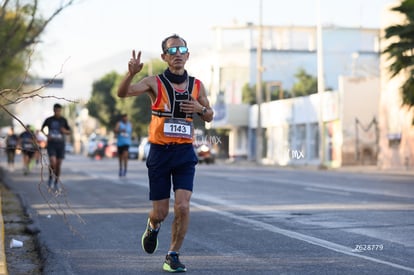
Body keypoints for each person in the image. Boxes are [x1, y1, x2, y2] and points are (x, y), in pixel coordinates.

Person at [118, 34, 213, 273]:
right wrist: (131, 73)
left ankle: (172, 255)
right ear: (164, 57)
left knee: (182, 206)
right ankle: (153, 226)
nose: (178, 53)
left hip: (184, 153)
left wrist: (201, 109)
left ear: (188, 55)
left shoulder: (197, 85)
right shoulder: (154, 82)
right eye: (172, 50)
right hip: (160, 152)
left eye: (182, 49)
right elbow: (123, 93)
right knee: (160, 212)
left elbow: (210, 114)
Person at [41, 103, 71, 192]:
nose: (57, 112)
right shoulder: (49, 120)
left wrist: (64, 131)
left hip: (61, 145)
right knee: (53, 162)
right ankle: (50, 178)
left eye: (59, 110)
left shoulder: (63, 120)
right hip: (51, 144)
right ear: (53, 110)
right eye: (56, 110)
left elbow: (69, 131)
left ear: (60, 111)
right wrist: (47, 135)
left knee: (58, 164)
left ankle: (56, 182)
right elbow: (42, 128)